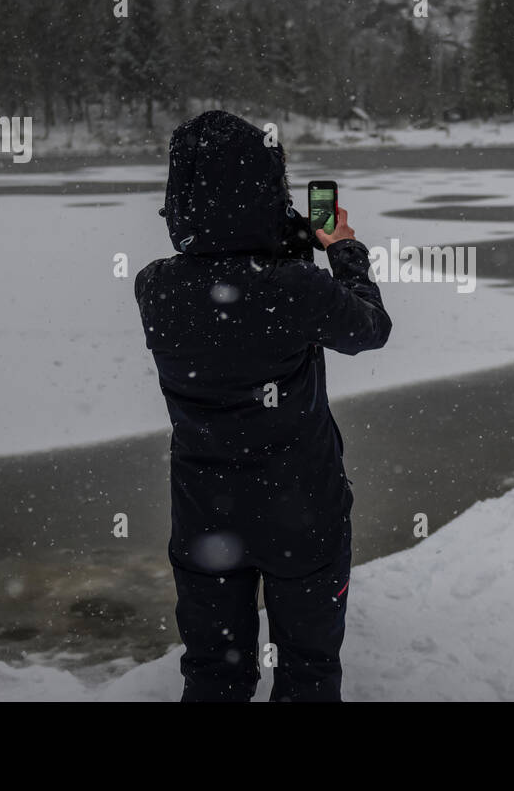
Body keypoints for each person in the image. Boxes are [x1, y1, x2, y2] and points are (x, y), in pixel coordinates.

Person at [134, 110, 391, 701]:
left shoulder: (155, 286)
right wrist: (342, 248)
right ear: (267, 189)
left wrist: (280, 241)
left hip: (204, 514)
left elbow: (237, 291)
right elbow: (368, 327)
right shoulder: (297, 288)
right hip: (301, 509)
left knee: (214, 675)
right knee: (307, 673)